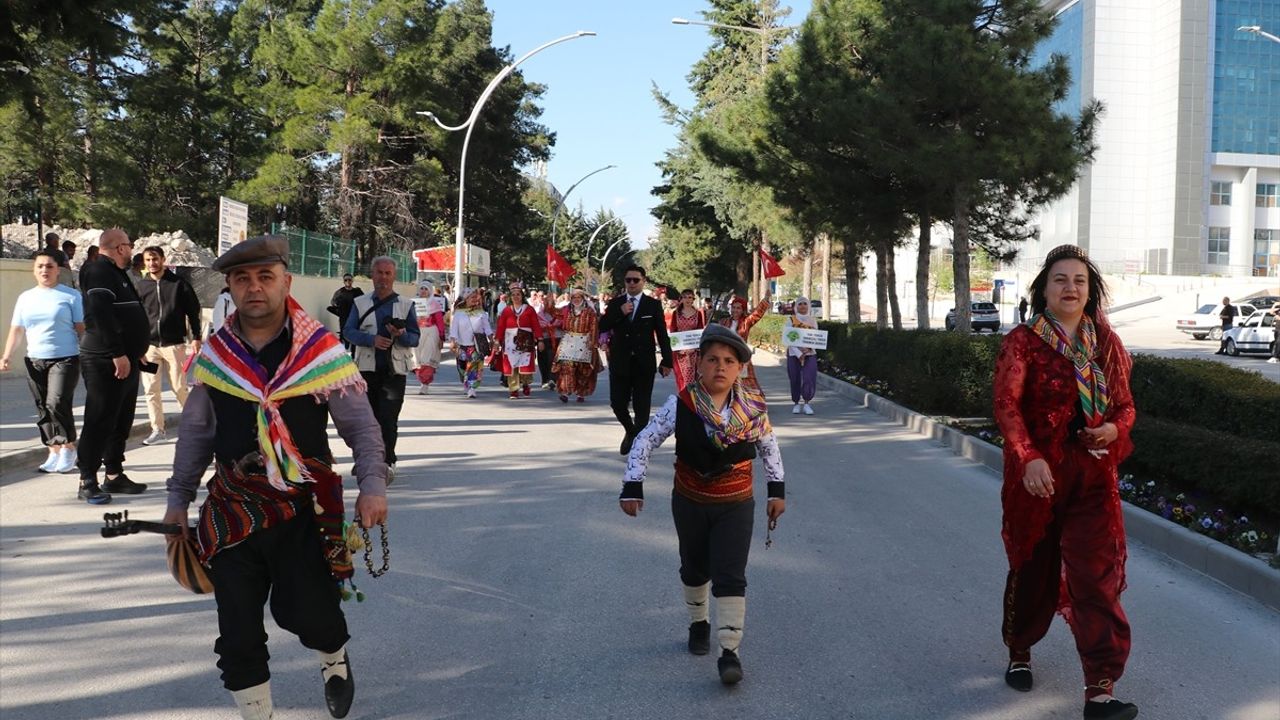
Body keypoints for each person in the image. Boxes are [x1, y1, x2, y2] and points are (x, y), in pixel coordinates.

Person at [162, 234, 388, 720]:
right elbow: (197, 434)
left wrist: (372, 485)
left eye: (265, 276)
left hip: (303, 512)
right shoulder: (216, 357)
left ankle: (333, 656)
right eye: (242, 279)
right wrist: (178, 499)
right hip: (231, 508)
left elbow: (362, 429)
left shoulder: (322, 353)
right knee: (238, 631)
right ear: (230, 288)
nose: (254, 288)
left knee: (308, 615)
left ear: (286, 281)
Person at [993, 244, 1139, 720]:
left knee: (1095, 580)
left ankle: (1100, 690)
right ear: (1044, 289)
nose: (1070, 288)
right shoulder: (1024, 341)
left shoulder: (1106, 344)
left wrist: (1115, 428)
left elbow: (1125, 406)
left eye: (1079, 280)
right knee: (1034, 569)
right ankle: (1020, 648)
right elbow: (1008, 407)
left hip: (1093, 476)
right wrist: (1028, 457)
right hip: (1038, 478)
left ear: (1090, 289)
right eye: (1060, 279)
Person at [619, 324, 785, 686]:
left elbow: (769, 448)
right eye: (712, 360)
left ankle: (729, 650)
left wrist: (777, 491)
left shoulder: (753, 409)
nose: (720, 367)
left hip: (736, 503)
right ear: (699, 364)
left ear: (739, 367)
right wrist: (633, 485)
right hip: (691, 500)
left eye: (729, 361)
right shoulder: (681, 404)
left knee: (730, 574)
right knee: (694, 569)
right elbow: (646, 439)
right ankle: (698, 625)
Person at [76, 228, 150, 504]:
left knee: (121, 419)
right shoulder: (98, 271)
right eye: (129, 246)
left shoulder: (117, 273)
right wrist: (117, 352)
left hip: (126, 359)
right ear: (120, 247)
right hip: (105, 359)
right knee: (100, 418)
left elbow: (126, 316)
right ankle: (87, 479)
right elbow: (100, 313)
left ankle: (114, 474)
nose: (132, 251)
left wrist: (136, 352)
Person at [1, 251, 85, 474]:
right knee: (42, 407)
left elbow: (81, 329)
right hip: (35, 359)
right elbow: (17, 329)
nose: (44, 270)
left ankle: (68, 447)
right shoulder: (26, 298)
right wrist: (7, 355)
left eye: (49, 266)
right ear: (34, 270)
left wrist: (89, 355)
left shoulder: (70, 296)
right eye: (40, 266)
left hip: (65, 357)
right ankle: (53, 450)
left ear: (58, 270)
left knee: (57, 402)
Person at [344, 257, 418, 482]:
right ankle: (366, 460)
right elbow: (348, 332)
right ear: (372, 275)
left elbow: (415, 338)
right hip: (366, 371)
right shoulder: (360, 303)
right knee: (367, 420)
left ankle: (387, 463)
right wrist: (371, 339)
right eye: (379, 273)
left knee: (388, 418)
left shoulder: (406, 305)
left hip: (394, 372)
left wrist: (401, 335)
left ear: (394, 276)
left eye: (387, 273)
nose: (383, 278)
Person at [598, 266, 674, 455]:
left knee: (642, 407)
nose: (631, 283)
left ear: (643, 281)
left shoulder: (652, 305)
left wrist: (667, 360)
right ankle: (630, 431)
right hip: (620, 362)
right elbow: (602, 325)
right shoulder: (616, 303)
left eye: (635, 280)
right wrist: (620, 312)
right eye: (628, 280)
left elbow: (662, 334)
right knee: (617, 403)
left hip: (643, 363)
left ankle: (639, 444)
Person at [137, 245, 203, 446]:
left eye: (155, 259)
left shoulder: (178, 284)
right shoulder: (141, 286)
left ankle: (194, 426)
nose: (151, 263)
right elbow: (136, 316)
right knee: (150, 389)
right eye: (148, 260)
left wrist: (196, 336)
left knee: (179, 387)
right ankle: (158, 430)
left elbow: (193, 311)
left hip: (174, 346)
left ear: (163, 260)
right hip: (149, 347)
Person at [494, 284, 543, 399]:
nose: (516, 297)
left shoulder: (529, 309)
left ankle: (525, 383)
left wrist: (540, 339)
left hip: (526, 340)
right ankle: (514, 389)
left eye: (518, 294)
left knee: (524, 364)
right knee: (512, 364)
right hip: (510, 340)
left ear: (522, 296)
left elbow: (536, 325)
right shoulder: (506, 310)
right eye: (513, 295)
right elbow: (501, 327)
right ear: (510, 297)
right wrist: (497, 341)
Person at [552, 287, 600, 403]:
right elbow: (553, 312)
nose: (576, 299)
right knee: (567, 367)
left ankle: (580, 393)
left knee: (582, 369)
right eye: (574, 297)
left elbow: (594, 327)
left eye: (578, 297)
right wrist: (549, 301)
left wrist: (592, 342)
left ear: (583, 298)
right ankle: (565, 392)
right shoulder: (566, 310)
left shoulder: (590, 312)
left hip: (584, 341)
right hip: (569, 340)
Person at [719, 291, 771, 390]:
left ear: (743, 310)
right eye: (734, 307)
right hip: (725, 357)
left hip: (741, 357)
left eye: (738, 308)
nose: (735, 310)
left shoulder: (746, 322)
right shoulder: (723, 322)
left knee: (745, 385)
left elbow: (757, 313)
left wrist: (766, 299)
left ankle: (747, 404)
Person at [447, 287, 492, 398]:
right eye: (471, 297)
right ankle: (466, 381)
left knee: (473, 366)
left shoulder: (481, 313)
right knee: (462, 368)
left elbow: (487, 329)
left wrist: (492, 340)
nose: (474, 299)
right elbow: (454, 329)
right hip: (462, 345)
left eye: (475, 297)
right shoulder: (458, 313)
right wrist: (452, 342)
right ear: (466, 299)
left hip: (476, 346)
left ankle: (471, 387)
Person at [784, 296, 819, 415]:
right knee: (794, 378)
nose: (802, 306)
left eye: (805, 304)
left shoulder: (812, 320)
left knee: (809, 378)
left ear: (808, 306)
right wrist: (799, 353)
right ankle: (796, 403)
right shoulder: (791, 320)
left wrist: (807, 350)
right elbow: (789, 338)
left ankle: (807, 403)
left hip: (810, 353)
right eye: (800, 304)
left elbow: (816, 337)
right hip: (794, 354)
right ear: (796, 306)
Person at [667, 288, 706, 392]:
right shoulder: (676, 313)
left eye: (690, 297)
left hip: (693, 353)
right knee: (681, 379)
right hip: (680, 353)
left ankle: (692, 404)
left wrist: (694, 348)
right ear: (681, 299)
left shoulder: (698, 314)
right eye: (685, 297)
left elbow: (700, 332)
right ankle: (684, 402)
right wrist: (678, 348)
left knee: (693, 380)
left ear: (693, 299)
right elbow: (673, 331)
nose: (687, 300)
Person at [412, 281, 446, 395]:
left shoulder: (434, 304)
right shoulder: (414, 303)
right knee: (416, 359)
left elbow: (440, 322)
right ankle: (421, 379)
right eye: (421, 288)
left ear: (430, 291)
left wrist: (442, 336)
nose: (423, 291)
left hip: (431, 332)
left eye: (426, 289)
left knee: (427, 358)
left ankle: (425, 384)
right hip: (417, 332)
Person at [328, 274, 364, 350]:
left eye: (349, 280)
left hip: (354, 316)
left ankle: (353, 353)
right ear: (343, 281)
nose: (348, 282)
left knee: (353, 335)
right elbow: (333, 302)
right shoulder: (340, 292)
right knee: (344, 334)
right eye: (346, 280)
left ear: (352, 281)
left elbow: (363, 302)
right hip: (343, 317)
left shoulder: (357, 292)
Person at [535, 290, 560, 389]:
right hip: (543, 339)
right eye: (546, 303)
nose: (549, 305)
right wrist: (546, 327)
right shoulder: (539, 314)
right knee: (542, 360)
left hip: (556, 339)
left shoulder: (558, 313)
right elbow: (536, 326)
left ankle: (552, 379)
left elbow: (563, 323)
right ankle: (544, 379)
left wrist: (556, 324)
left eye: (551, 303)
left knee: (552, 359)